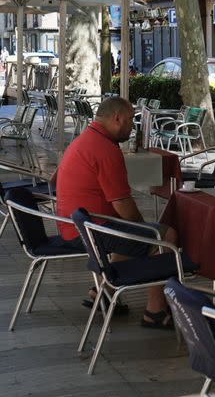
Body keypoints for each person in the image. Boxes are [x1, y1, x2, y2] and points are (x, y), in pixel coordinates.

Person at [54, 97, 178, 329]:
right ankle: (156, 311)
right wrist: (146, 231)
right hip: (89, 230)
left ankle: (103, 291)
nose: (133, 126)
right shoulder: (105, 149)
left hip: (76, 224)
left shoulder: (87, 138)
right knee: (164, 237)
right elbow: (123, 204)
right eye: (131, 119)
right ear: (117, 118)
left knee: (131, 232)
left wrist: (137, 229)